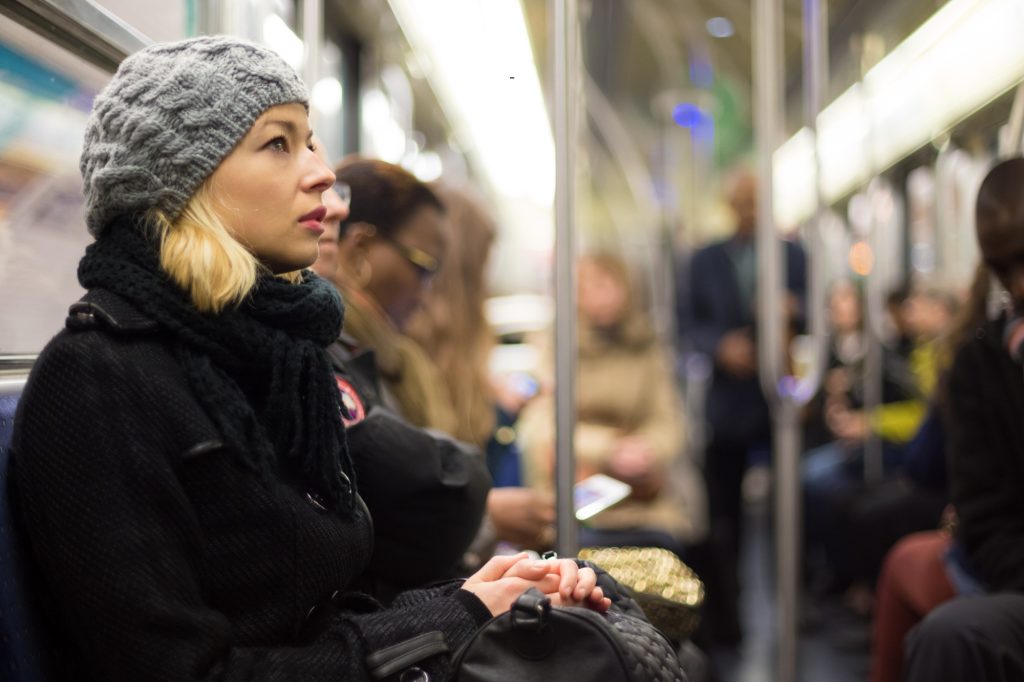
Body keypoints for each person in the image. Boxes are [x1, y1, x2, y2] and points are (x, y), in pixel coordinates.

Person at [9, 36, 608, 682]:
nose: (323, 173)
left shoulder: (274, 355)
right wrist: (452, 618)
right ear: (183, 181)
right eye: (278, 143)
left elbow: (328, 611)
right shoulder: (99, 379)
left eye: (312, 142)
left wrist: (477, 596)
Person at [328, 160, 557, 556]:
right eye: (423, 267)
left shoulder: (395, 357)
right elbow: (380, 512)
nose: (427, 292)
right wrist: (484, 518)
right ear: (360, 247)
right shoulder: (346, 358)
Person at [895, 156, 1024, 681]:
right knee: (947, 636)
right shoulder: (979, 364)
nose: (1020, 285)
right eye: (1005, 269)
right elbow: (988, 515)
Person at [679, 166, 806, 644]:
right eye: (743, 202)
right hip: (728, 402)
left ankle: (794, 599)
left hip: (780, 401)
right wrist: (720, 347)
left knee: (788, 507)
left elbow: (814, 310)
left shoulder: (793, 255)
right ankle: (729, 613)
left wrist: (791, 312)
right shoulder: (704, 260)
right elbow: (689, 324)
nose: (750, 211)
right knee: (725, 514)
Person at [519, 252, 697, 553]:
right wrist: (609, 449)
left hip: (640, 494)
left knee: (668, 549)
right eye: (587, 287)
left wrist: (646, 451)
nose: (599, 296)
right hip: (576, 493)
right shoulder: (555, 347)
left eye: (606, 285)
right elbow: (542, 425)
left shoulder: (646, 346)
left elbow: (667, 419)